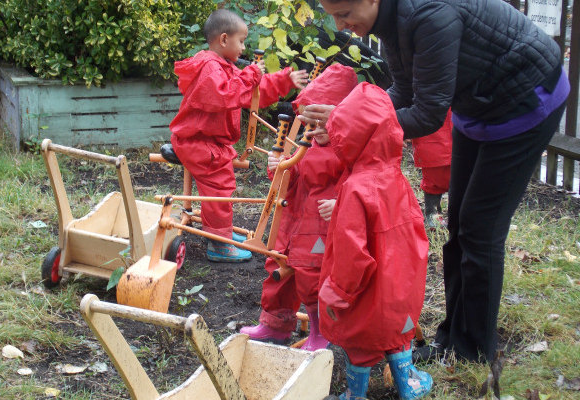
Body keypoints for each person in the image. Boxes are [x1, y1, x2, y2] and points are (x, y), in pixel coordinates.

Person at [300, 0, 570, 364]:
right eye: (332, 15)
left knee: (480, 229)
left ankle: (472, 350)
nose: (340, 25)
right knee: (460, 223)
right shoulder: (391, 20)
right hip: (476, 103)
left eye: (344, 14)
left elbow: (427, 114)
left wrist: (346, 122)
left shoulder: (428, 16)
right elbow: (405, 93)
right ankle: (452, 338)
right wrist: (345, 117)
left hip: (523, 100)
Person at [318, 82, 432, 400]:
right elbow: (416, 239)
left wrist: (337, 292)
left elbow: (352, 254)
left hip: (367, 294)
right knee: (398, 334)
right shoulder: (398, 180)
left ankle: (357, 394)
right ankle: (407, 384)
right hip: (400, 289)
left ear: (351, 137)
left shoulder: (355, 189)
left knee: (360, 343)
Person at [169, 9, 308, 262]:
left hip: (208, 141)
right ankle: (219, 244)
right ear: (224, 40)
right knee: (219, 186)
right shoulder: (209, 67)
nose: (244, 47)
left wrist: (284, 79)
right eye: (241, 41)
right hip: (196, 142)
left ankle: (222, 232)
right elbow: (224, 96)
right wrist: (252, 74)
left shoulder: (225, 67)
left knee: (223, 183)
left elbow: (251, 94)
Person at [240, 64, 357, 350]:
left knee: (312, 279)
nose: (313, 131)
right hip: (293, 221)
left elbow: (363, 185)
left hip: (321, 227)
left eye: (321, 123)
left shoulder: (351, 150)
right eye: (309, 124)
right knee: (277, 267)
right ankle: (274, 325)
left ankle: (320, 331)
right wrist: (278, 168)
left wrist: (342, 202)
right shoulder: (309, 144)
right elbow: (292, 177)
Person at [411, 109, 452, 229]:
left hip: (453, 129)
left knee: (461, 180)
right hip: (432, 134)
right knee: (434, 179)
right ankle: (433, 214)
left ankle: (437, 215)